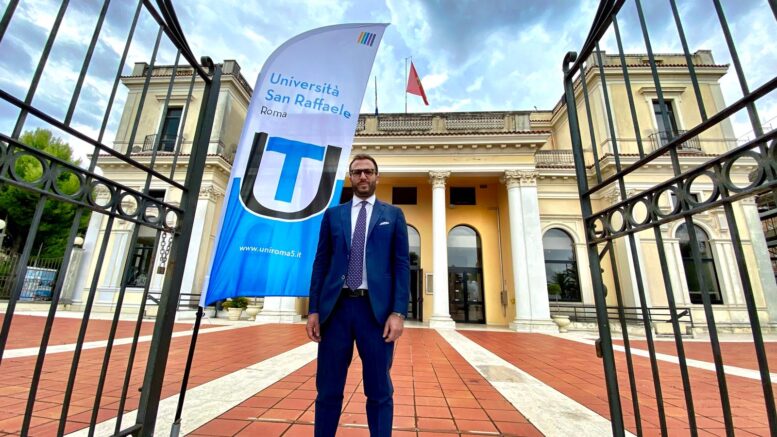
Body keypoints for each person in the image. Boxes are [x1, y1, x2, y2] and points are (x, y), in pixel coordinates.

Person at [307, 153, 410, 437]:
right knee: (328, 389)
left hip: (375, 314)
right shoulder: (333, 215)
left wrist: (398, 312)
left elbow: (401, 265)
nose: (363, 176)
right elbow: (321, 263)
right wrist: (313, 309)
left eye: (368, 171)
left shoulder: (393, 215)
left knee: (379, 389)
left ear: (377, 176)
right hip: (336, 311)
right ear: (350, 177)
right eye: (357, 172)